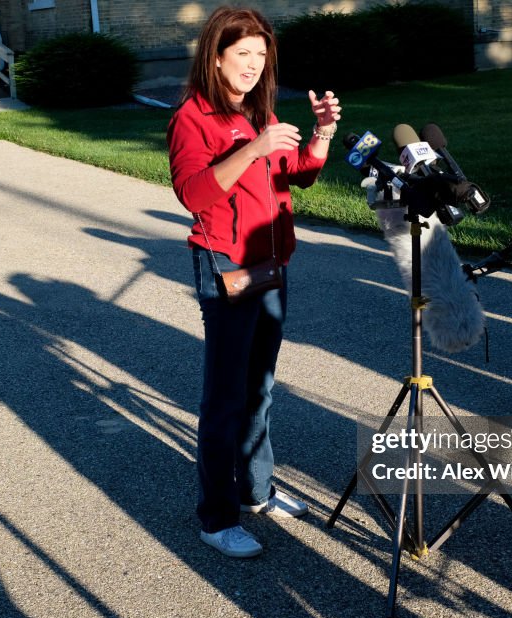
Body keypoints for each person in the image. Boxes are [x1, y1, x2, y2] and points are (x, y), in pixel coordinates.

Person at [166, 6, 342, 558]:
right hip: (226, 265)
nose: (253, 64)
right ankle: (216, 519)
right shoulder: (193, 118)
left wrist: (323, 133)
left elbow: (299, 175)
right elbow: (194, 194)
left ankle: (256, 492)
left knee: (260, 388)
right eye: (243, 53)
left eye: (261, 55)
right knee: (225, 397)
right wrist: (254, 149)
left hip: (271, 265)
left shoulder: (255, 113)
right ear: (215, 57)